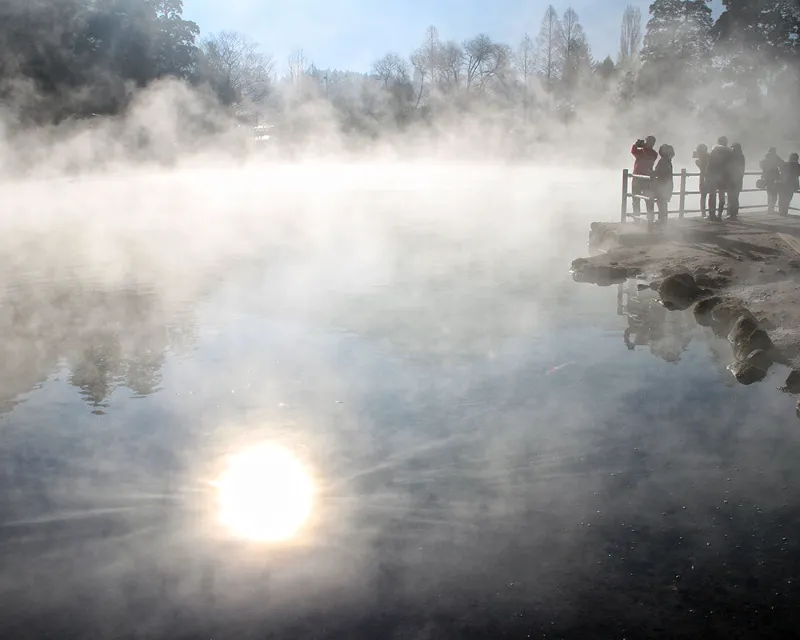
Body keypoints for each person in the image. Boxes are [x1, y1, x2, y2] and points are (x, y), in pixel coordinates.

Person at [706, 136, 732, 221]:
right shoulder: (729, 152)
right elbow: (731, 166)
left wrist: (707, 175)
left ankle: (712, 214)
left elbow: (709, 165)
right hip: (724, 176)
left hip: (713, 175)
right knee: (722, 196)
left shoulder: (714, 151)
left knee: (712, 195)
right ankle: (719, 214)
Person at [631, 135, 658, 217]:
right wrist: (636, 145)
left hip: (646, 178)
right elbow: (633, 151)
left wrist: (642, 147)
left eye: (650, 142)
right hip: (637, 176)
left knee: (648, 198)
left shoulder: (653, 153)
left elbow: (648, 158)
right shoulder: (641, 151)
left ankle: (650, 216)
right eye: (647, 141)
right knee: (635, 198)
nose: (647, 143)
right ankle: (637, 217)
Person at [652, 144, 675, 226]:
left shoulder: (662, 161)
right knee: (663, 203)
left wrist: (651, 172)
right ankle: (663, 220)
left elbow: (659, 172)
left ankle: (662, 221)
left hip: (662, 185)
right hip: (668, 184)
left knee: (661, 203)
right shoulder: (668, 161)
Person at [760, 147, 783, 214]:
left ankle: (770, 208)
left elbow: (761, 165)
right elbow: (782, 164)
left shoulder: (766, 158)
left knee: (770, 193)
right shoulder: (775, 157)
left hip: (767, 178)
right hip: (774, 178)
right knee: (774, 194)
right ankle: (771, 208)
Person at [727, 143, 746, 219]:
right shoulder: (741, 156)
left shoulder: (733, 156)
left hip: (733, 180)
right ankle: (734, 213)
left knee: (731, 197)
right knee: (735, 197)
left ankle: (732, 214)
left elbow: (730, 167)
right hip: (739, 179)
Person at [778, 152, 800, 217]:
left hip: (783, 183)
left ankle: (782, 211)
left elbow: (781, 171)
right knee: (788, 198)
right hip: (792, 185)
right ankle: (784, 212)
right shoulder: (798, 166)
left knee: (782, 198)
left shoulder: (785, 165)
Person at [693, 144, 710, 218]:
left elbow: (699, 164)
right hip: (709, 177)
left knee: (703, 196)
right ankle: (710, 213)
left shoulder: (700, 160)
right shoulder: (709, 158)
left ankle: (704, 213)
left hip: (703, 178)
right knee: (710, 195)